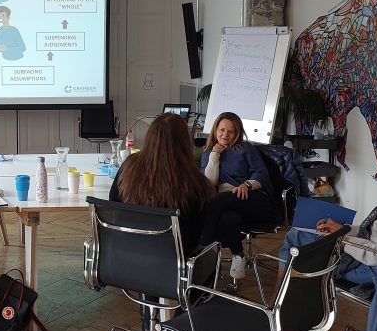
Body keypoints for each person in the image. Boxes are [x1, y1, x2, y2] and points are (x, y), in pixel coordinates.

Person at [277, 142, 377, 288]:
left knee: (295, 235)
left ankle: (279, 298)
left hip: (376, 271)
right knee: (302, 239)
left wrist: (342, 239)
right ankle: (292, 293)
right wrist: (343, 229)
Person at [109, 112, 215, 254]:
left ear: (149, 137)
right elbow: (197, 236)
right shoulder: (197, 183)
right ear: (185, 141)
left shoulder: (129, 166)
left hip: (125, 255)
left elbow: (113, 205)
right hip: (172, 266)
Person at [199, 111, 277, 280]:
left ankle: (204, 247)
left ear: (237, 133)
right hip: (226, 204)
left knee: (217, 200)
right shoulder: (208, 154)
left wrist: (247, 184)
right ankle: (238, 255)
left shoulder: (245, 149)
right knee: (228, 218)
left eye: (230, 131)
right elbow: (209, 182)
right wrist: (215, 155)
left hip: (253, 198)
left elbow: (261, 173)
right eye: (221, 130)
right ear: (215, 130)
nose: (225, 135)